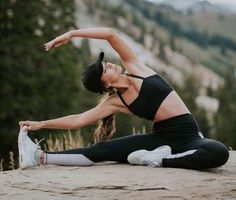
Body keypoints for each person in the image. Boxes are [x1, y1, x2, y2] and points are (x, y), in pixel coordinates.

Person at [19, 27, 229, 170]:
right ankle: (39, 157)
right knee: (101, 150)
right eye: (104, 69)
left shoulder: (135, 67)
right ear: (106, 85)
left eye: (105, 63)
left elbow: (110, 35)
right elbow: (78, 120)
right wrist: (42, 124)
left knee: (218, 152)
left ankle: (160, 160)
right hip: (161, 140)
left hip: (190, 136)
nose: (109, 63)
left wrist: (72, 34)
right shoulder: (115, 102)